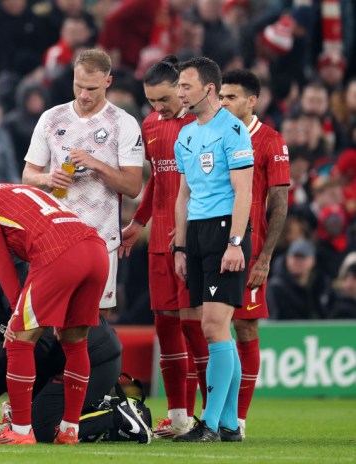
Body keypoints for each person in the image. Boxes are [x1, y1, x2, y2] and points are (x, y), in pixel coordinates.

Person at [0, 181, 110, 445]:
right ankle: (69, 429)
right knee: (74, 342)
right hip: (96, 249)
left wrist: (17, 309)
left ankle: (21, 431)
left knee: (17, 341)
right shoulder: (16, 191)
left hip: (58, 251)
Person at [0, 242, 149, 443]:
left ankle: (122, 417)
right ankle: (97, 411)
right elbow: (9, 363)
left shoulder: (15, 287)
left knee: (40, 428)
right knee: (30, 421)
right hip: (69, 362)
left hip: (96, 360)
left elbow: (37, 349)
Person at [119, 56, 209, 438]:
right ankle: (178, 418)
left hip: (193, 240)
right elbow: (157, 179)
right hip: (159, 243)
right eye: (151, 101)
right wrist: (138, 223)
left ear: (183, 88)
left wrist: (190, 231)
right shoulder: (152, 124)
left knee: (197, 330)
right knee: (167, 329)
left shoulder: (203, 123)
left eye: (164, 98)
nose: (158, 107)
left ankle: (217, 416)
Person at [22, 48, 144, 315]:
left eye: (92, 88)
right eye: (79, 86)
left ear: (108, 82)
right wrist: (48, 177)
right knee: (51, 319)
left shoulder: (124, 124)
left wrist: (97, 164)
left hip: (101, 238)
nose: (84, 95)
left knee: (94, 321)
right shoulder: (51, 118)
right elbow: (28, 176)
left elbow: (134, 187)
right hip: (55, 237)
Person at [172, 56, 253, 443]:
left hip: (225, 231)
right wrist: (180, 246)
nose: (179, 92)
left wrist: (236, 242)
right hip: (199, 234)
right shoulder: (184, 135)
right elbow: (183, 195)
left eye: (186, 86)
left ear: (208, 89)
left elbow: (245, 191)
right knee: (219, 330)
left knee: (212, 326)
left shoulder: (233, 130)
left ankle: (209, 422)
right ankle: (228, 426)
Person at [220, 69, 290, 438]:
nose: (224, 103)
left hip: (248, 251)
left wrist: (264, 259)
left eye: (231, 97)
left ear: (252, 101)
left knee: (244, 328)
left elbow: (280, 204)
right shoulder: (211, 133)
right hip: (208, 246)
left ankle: (238, 419)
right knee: (208, 330)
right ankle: (212, 413)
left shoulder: (270, 140)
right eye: (222, 96)